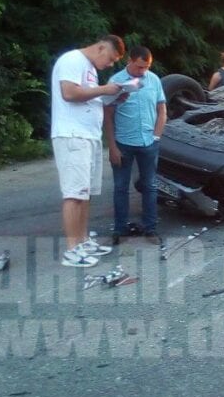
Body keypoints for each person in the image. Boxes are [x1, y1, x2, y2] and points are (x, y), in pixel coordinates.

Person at [50, 34, 126, 267]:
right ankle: (72, 250)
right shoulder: (72, 60)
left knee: (85, 193)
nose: (110, 64)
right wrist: (105, 89)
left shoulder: (89, 69)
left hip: (89, 136)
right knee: (74, 193)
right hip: (73, 136)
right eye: (111, 59)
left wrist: (113, 97)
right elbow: (70, 93)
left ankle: (82, 241)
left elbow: (88, 98)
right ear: (101, 47)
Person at [105, 45, 167, 246]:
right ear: (129, 61)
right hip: (124, 143)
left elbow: (161, 109)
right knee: (120, 187)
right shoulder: (115, 82)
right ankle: (120, 230)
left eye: (146, 67)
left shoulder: (154, 80)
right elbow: (108, 116)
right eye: (140, 67)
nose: (143, 72)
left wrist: (157, 136)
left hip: (148, 142)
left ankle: (151, 229)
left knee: (150, 186)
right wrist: (112, 147)